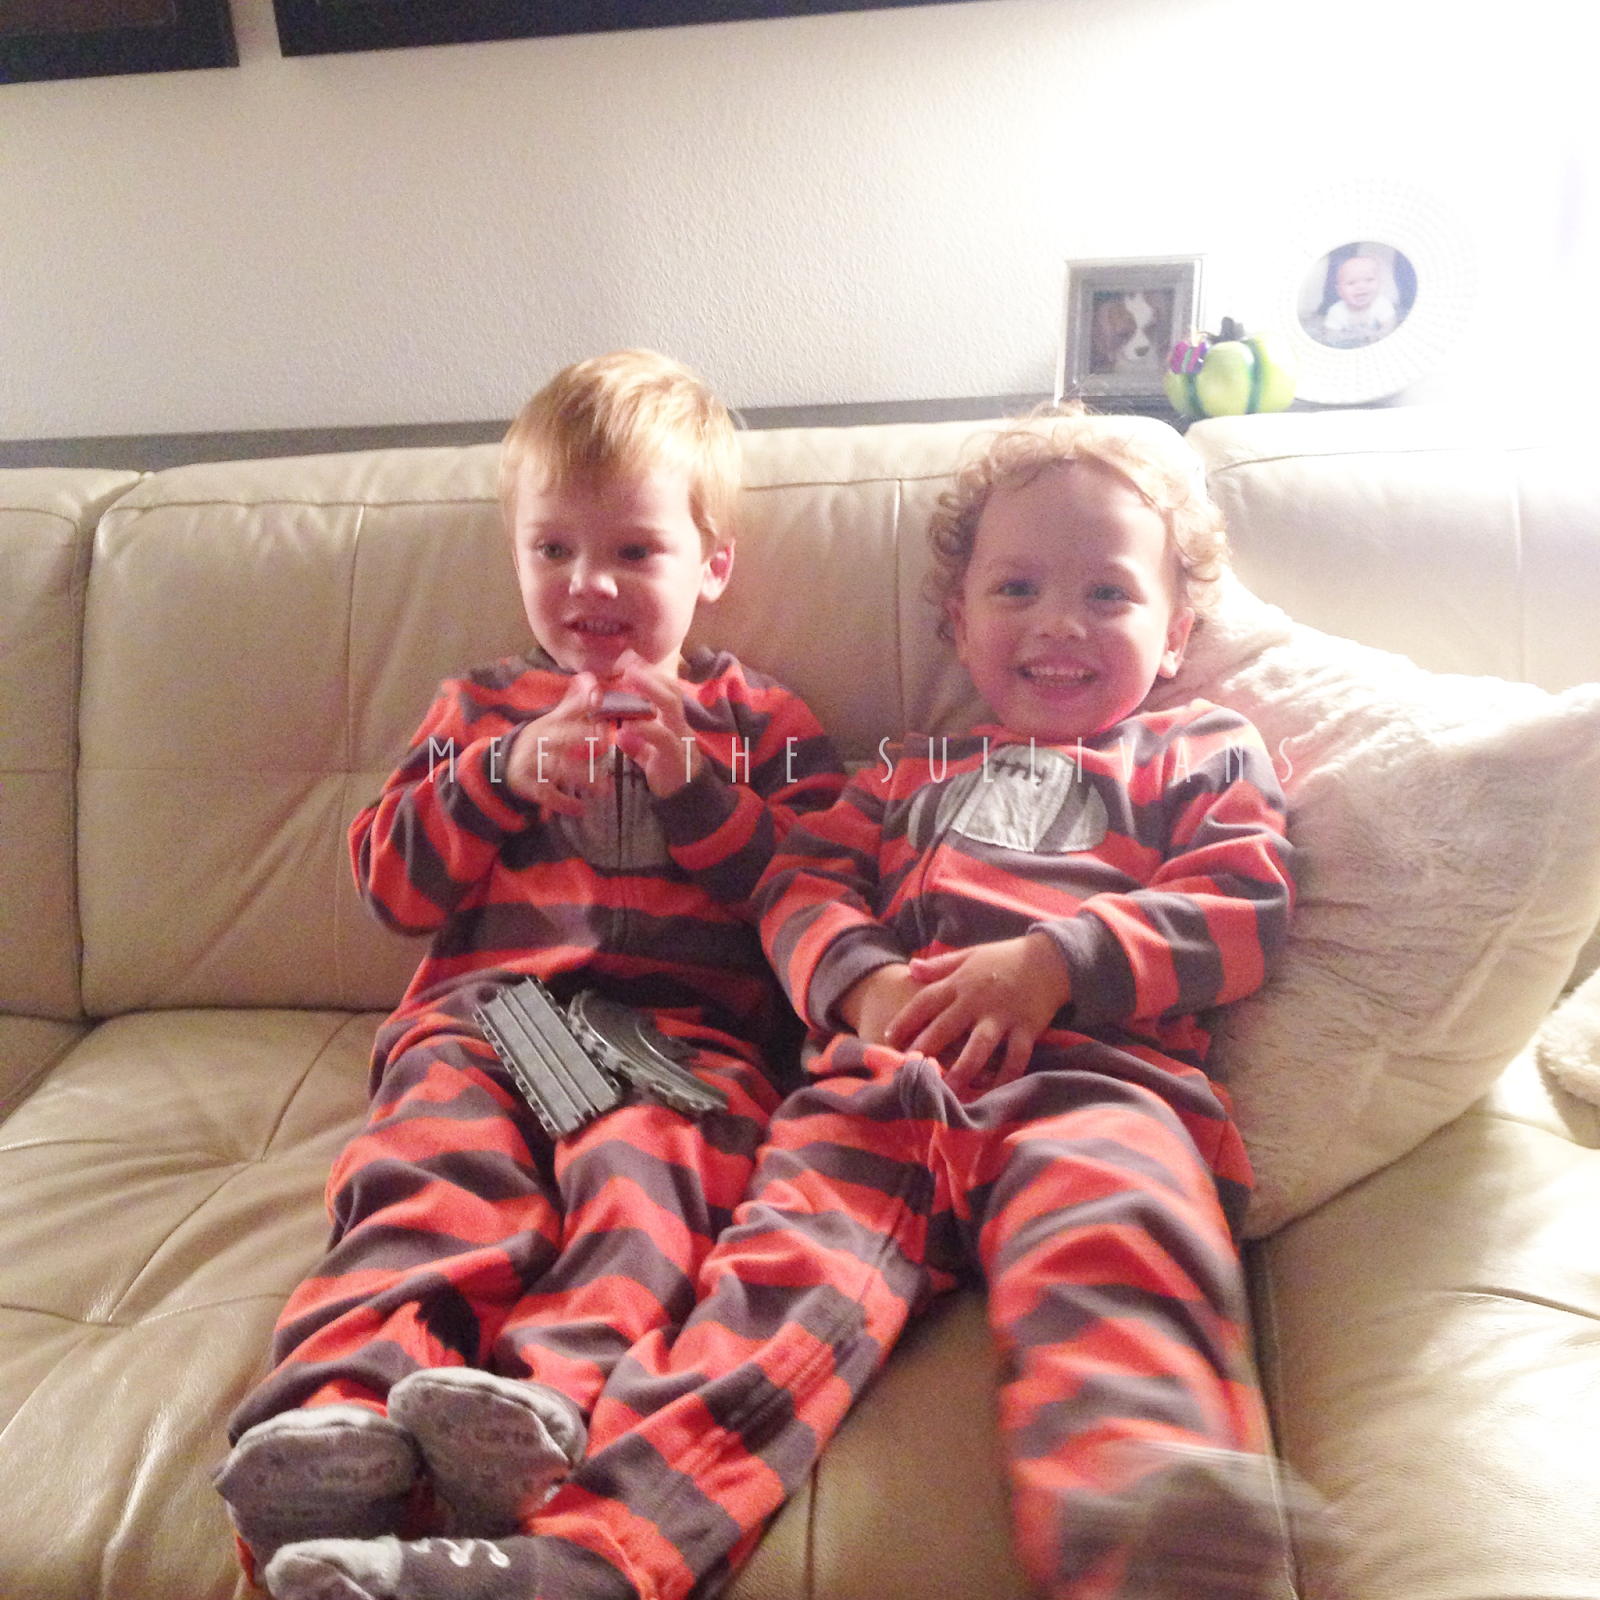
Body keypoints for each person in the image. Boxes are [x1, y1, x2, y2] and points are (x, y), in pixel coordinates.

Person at [253, 409, 1322, 1600]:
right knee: (743, 1307)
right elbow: (799, 886)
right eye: (1016, 588)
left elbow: (1243, 900)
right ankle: (574, 1549)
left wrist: (1053, 962)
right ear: (957, 622)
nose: (1058, 622)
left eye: (1107, 595)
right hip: (830, 1084)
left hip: (1089, 1088)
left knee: (1112, 1248)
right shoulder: (899, 773)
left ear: (1176, 633)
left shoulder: (1197, 748)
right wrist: (863, 984)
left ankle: (1153, 1520)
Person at [213, 349, 844, 1589]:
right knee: (434, 1176)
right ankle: (337, 1412)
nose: (587, 582)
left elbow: (813, 895)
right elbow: (392, 887)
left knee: (646, 1177)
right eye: (552, 549)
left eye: (634, 551)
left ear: (711, 566)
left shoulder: (760, 722)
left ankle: (534, 1404)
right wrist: (496, 778)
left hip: (671, 1039)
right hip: (496, 1020)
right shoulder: (482, 708)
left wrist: (700, 793)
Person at [1320, 252, 1398, 345]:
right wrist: (1347, 337)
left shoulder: (1382, 304)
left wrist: (1378, 335)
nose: (1361, 287)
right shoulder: (1336, 312)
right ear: (1340, 291)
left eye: (1369, 280)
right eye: (1351, 283)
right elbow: (1331, 336)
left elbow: (1390, 327)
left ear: (1380, 284)